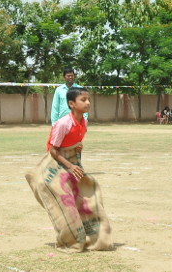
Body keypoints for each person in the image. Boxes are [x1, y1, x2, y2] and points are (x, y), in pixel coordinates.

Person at [25, 87, 113, 252]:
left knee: (86, 197)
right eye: (83, 100)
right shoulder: (63, 123)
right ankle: (70, 239)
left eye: (89, 99)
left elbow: (74, 142)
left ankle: (93, 235)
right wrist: (70, 166)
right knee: (66, 203)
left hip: (73, 161)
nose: (88, 103)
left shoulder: (83, 122)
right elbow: (53, 150)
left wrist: (77, 149)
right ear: (72, 104)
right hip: (58, 163)